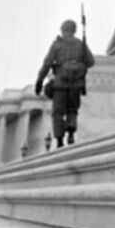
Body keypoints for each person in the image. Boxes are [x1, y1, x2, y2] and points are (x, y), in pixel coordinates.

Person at [35, 19, 95, 147]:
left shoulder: (57, 45)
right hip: (76, 84)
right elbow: (91, 62)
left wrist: (39, 81)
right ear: (74, 31)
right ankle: (71, 134)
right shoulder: (81, 44)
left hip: (60, 84)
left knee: (58, 113)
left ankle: (60, 140)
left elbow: (47, 64)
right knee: (72, 110)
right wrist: (80, 64)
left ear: (63, 30)